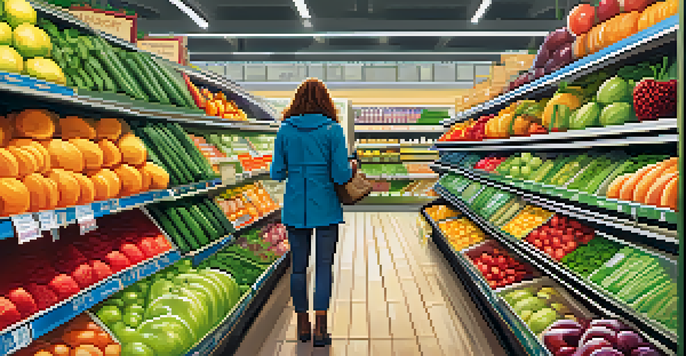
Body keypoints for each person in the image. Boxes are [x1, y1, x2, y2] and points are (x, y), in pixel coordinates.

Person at [269, 78, 354, 347]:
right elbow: (341, 175)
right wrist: (349, 166)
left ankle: (301, 325)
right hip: (326, 206)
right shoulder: (333, 130)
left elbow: (276, 173)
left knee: (298, 269)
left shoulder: (285, 130)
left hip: (295, 207)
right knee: (324, 267)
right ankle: (320, 326)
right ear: (326, 102)